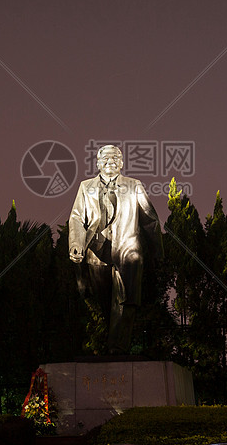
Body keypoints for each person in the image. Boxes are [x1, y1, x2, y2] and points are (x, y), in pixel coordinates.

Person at [69, 144, 163, 354]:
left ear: (121, 163)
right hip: (97, 250)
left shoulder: (134, 185)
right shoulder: (86, 187)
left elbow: (150, 220)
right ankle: (113, 338)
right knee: (105, 301)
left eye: (114, 158)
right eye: (105, 158)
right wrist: (76, 243)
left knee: (126, 298)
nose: (110, 162)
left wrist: (157, 251)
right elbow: (76, 218)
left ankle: (117, 348)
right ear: (98, 163)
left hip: (128, 247)